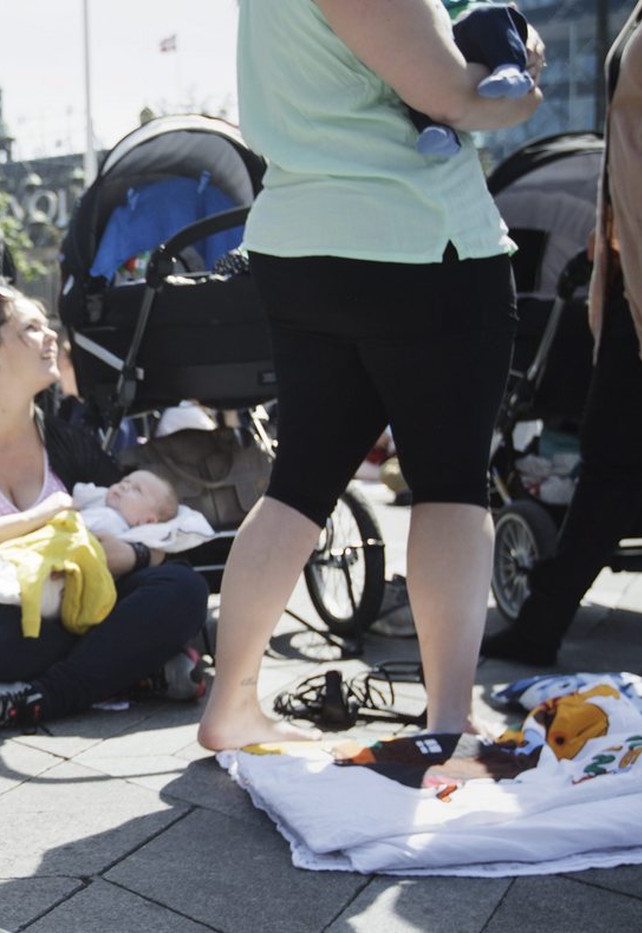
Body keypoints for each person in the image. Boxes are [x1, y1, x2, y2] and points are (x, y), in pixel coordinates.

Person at [197, 0, 544, 752]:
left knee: (300, 484)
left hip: (301, 242)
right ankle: (450, 717)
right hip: (417, 240)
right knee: (451, 483)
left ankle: (232, 702)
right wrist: (523, 81)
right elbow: (452, 94)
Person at [0, 284, 210, 733]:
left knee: (183, 589)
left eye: (49, 326)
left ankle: (40, 697)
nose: (52, 338)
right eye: (31, 328)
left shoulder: (65, 441)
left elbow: (153, 522)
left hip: (74, 608)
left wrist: (135, 556)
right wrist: (33, 521)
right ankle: (127, 669)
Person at [481, 0, 642, 667]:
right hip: (634, 267)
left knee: (612, 457)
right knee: (611, 455)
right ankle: (542, 624)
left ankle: (541, 625)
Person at [409, 2, 534, 156]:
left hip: (474, 35)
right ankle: (433, 130)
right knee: (414, 69)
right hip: (442, 47)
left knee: (485, 15)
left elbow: (505, 13)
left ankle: (509, 70)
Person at [74, 468, 180, 536]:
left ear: (148, 521)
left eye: (137, 490)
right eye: (125, 481)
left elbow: (71, 525)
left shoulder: (111, 520)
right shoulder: (107, 500)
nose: (124, 486)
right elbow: (81, 493)